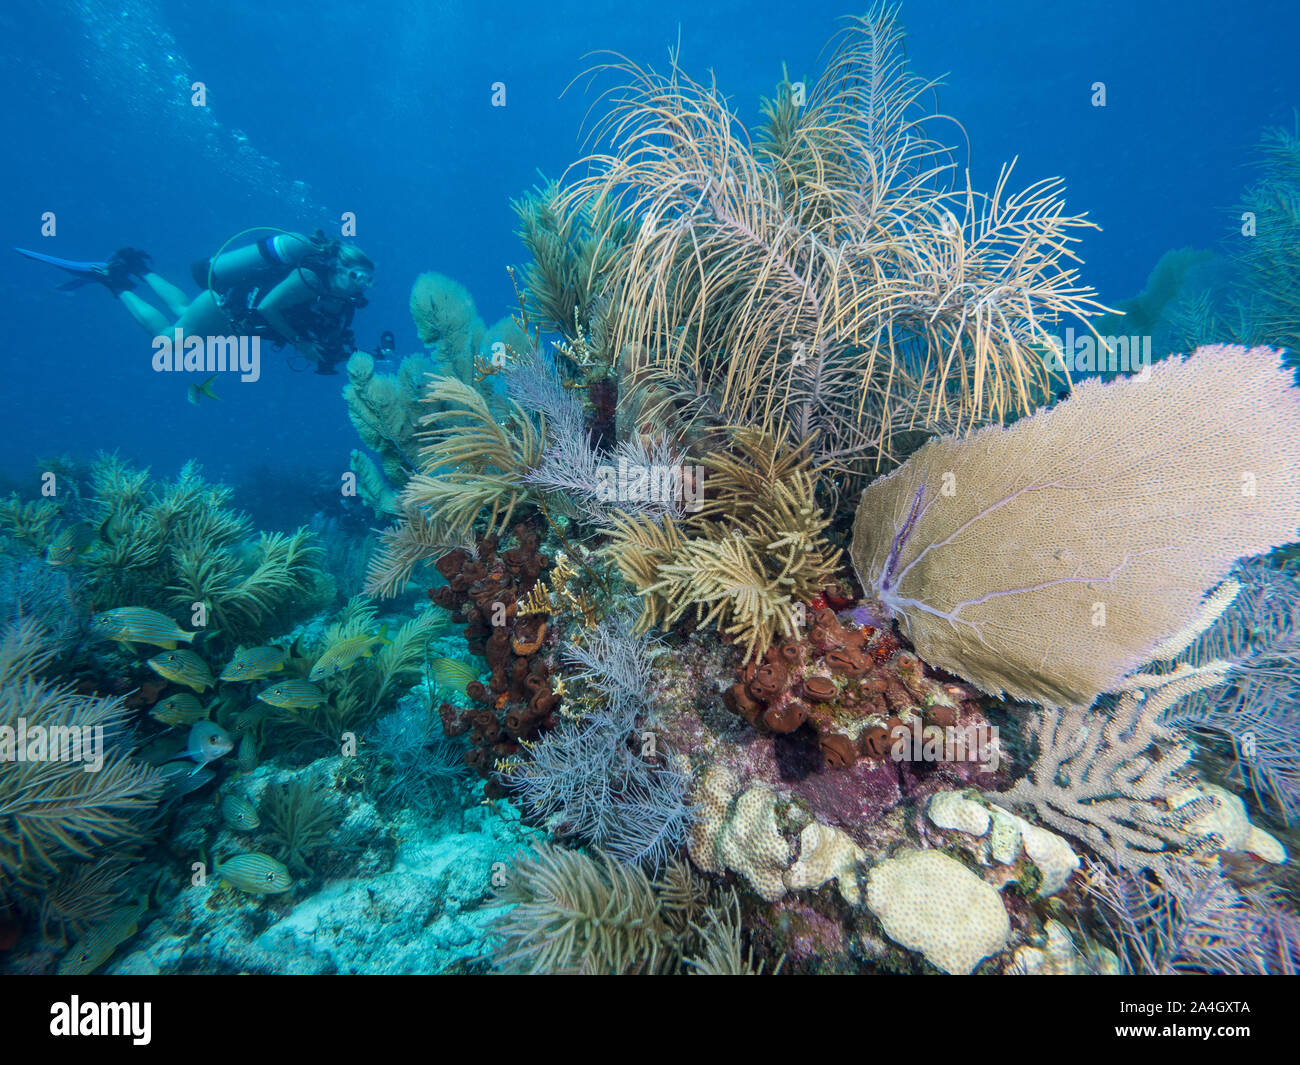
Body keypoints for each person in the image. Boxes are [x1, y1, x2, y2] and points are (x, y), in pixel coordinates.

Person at [15, 230, 374, 375]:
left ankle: (137, 268)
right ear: (338, 266)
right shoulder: (311, 278)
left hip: (225, 304)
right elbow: (268, 308)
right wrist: (301, 343)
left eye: (366, 279)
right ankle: (114, 282)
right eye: (354, 275)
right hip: (227, 309)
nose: (360, 284)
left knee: (184, 311)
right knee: (169, 342)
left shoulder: (335, 293)